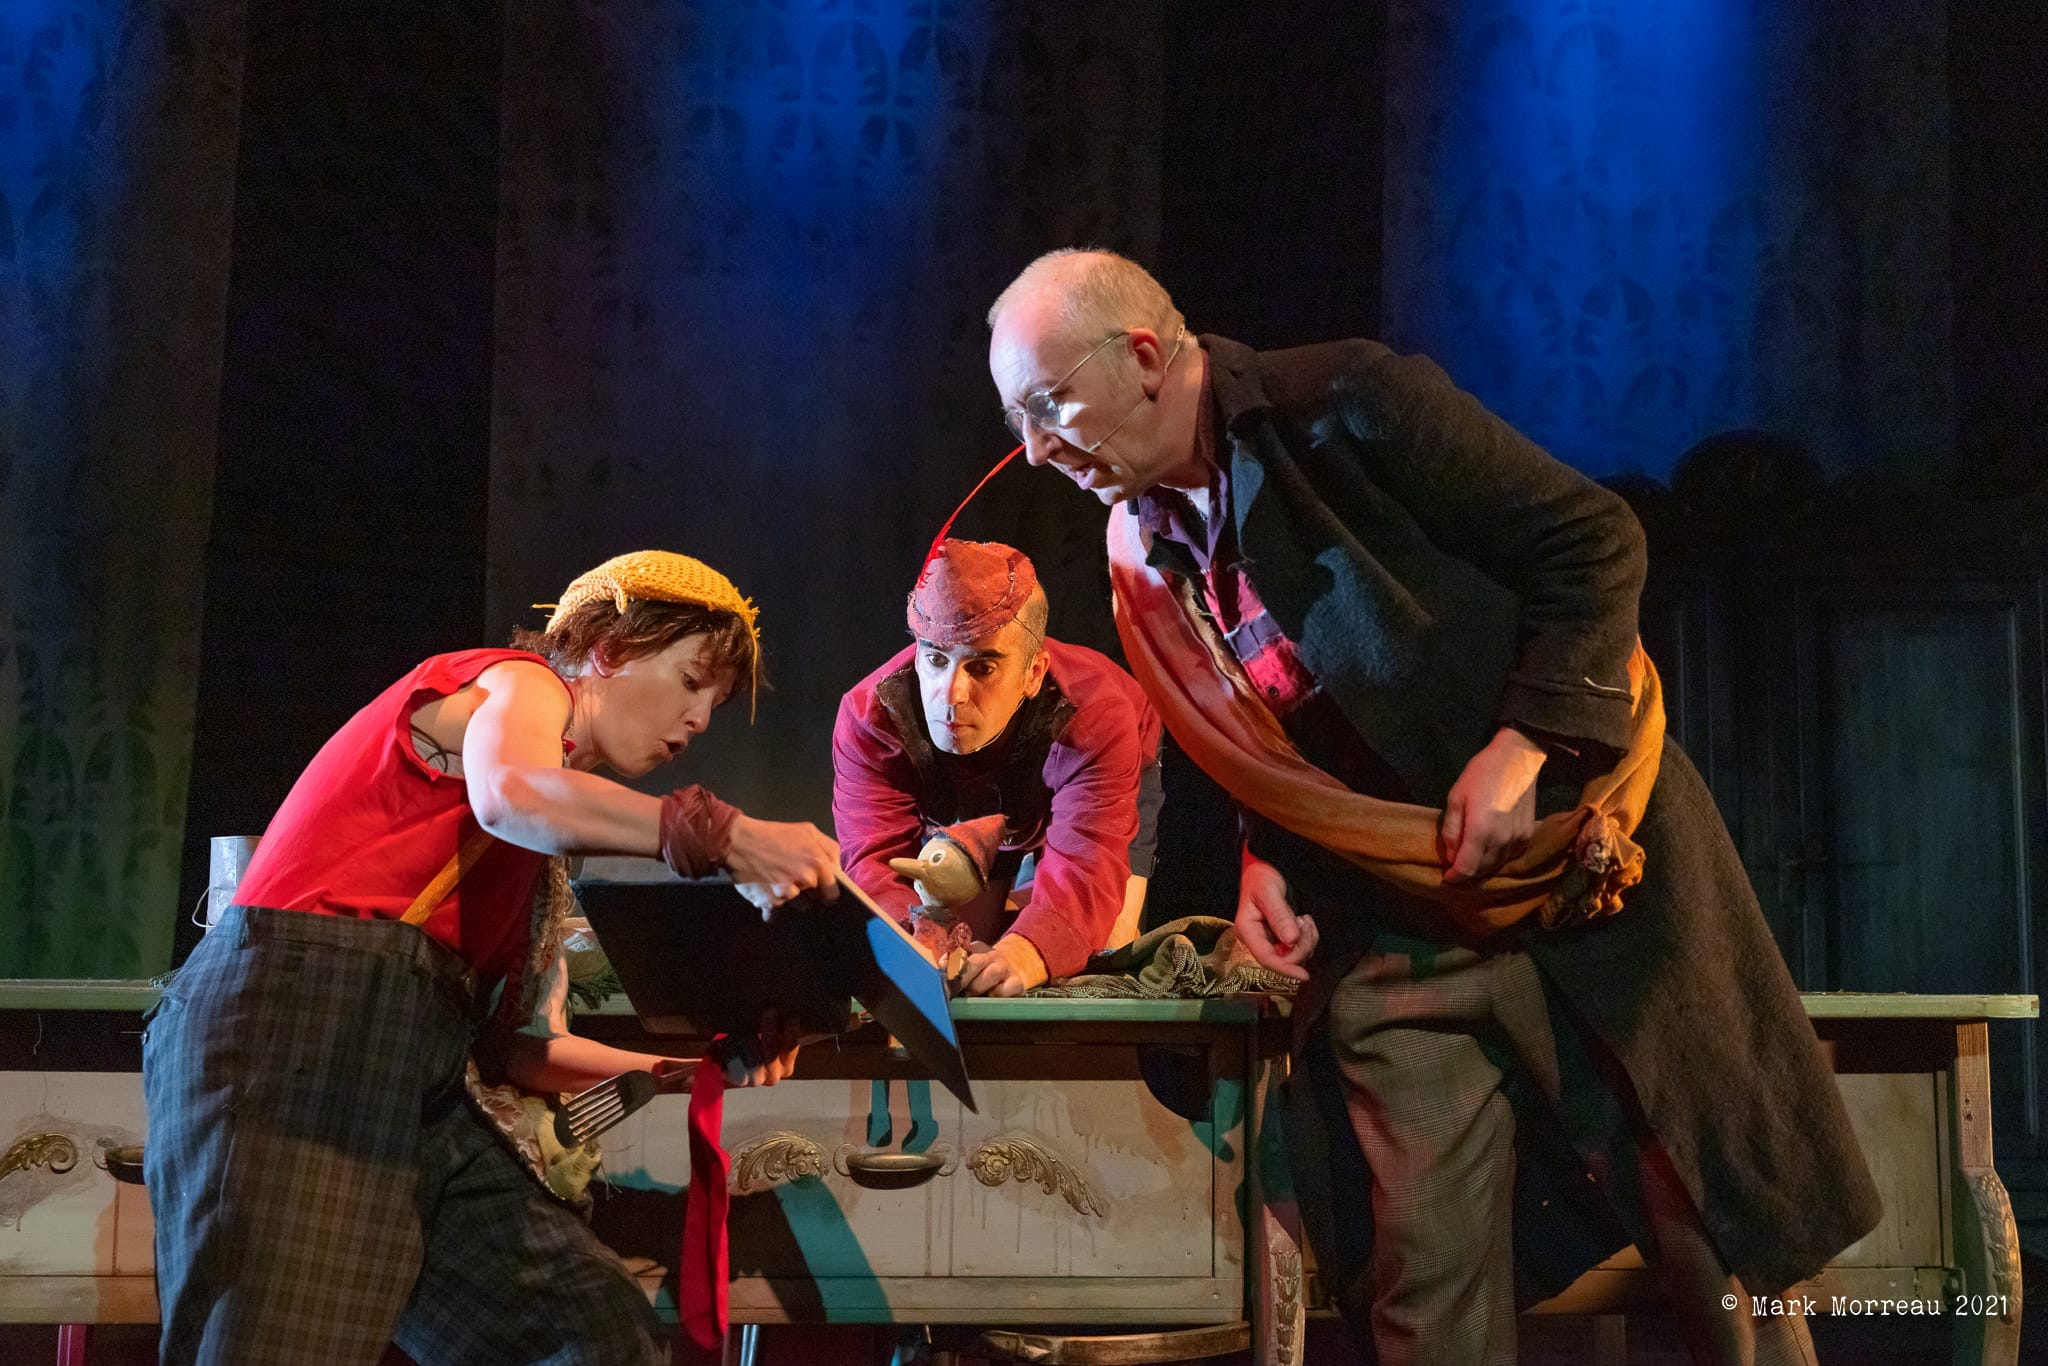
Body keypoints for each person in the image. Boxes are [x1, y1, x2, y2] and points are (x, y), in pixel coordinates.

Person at [985, 249, 1881, 1365]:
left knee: (1700, 1223)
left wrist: (1521, 743)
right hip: (1393, 922)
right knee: (1424, 1283)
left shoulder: (1348, 404)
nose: (1034, 448)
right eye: (1016, 420)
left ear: (1146, 357)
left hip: (1581, 875)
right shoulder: (1140, 540)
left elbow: (1593, 540)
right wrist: (1269, 855)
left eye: (1049, 404)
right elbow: (1263, 726)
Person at [144, 550, 842, 1366]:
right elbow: (512, 795)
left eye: (715, 706)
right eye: (691, 682)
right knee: (279, 1341)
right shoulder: (515, 683)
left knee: (587, 1330)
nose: (698, 722)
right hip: (300, 1030)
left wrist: (687, 1068)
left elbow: (517, 1048)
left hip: (419, 1080)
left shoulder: (533, 862)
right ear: (609, 650)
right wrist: (724, 838)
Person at [832, 538, 1162, 995]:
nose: (952, 697)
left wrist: (1028, 952)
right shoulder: (872, 717)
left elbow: (1090, 862)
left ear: (1032, 673)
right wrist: (919, 948)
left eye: (982, 668)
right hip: (976, 805)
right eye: (935, 659)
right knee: (964, 953)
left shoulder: (1096, 715)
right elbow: (876, 863)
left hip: (1091, 778)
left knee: (1101, 947)